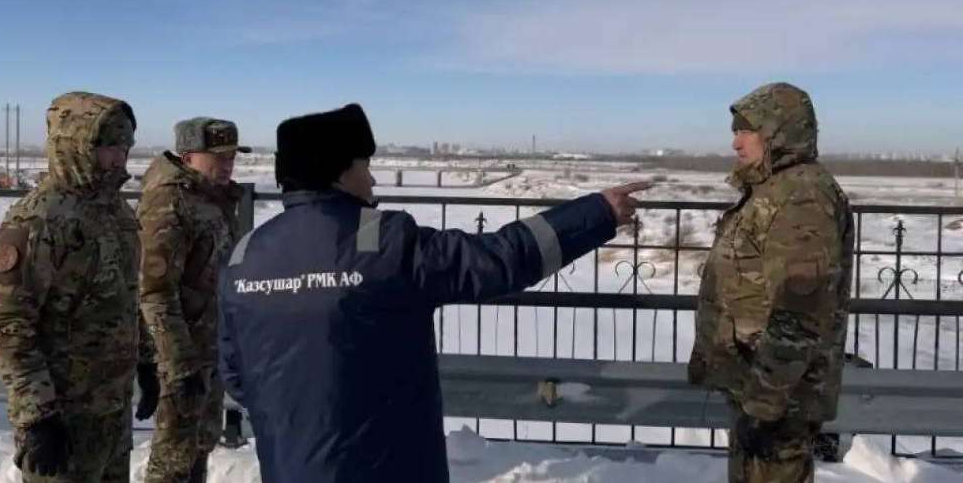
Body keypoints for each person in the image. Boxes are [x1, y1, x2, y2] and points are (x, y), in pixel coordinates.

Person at [217, 103, 647, 482]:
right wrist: (597, 214)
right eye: (365, 165)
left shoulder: (244, 254)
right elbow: (499, 260)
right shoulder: (382, 242)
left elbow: (236, 374)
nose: (372, 180)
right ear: (342, 171)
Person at [0, 91, 157, 482]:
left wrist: (145, 360)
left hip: (110, 415)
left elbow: (125, 296)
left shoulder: (115, 211)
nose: (119, 158)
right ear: (75, 144)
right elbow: (7, 325)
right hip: (62, 420)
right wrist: (37, 416)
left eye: (124, 147)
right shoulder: (40, 219)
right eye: (108, 146)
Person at [688, 82, 853, 483]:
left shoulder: (801, 197)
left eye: (745, 130)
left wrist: (764, 399)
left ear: (776, 131)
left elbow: (800, 310)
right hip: (761, 388)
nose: (736, 143)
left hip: (779, 398)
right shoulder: (775, 189)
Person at [138, 118, 251, 483]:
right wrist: (178, 365)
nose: (228, 162)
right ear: (188, 157)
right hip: (181, 358)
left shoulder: (212, 199)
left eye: (233, 155)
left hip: (207, 351)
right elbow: (154, 292)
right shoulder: (170, 202)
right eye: (218, 155)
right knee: (173, 460)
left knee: (197, 449)